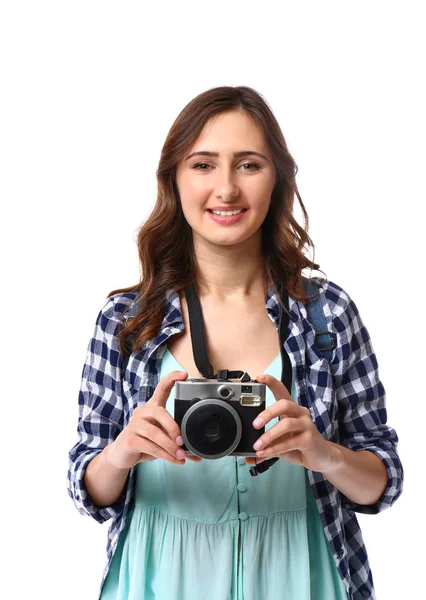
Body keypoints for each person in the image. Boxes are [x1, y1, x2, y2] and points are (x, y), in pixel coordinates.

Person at [67, 85, 403, 600]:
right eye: (202, 165)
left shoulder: (327, 315)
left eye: (248, 165)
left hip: (302, 572)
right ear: (174, 180)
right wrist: (123, 452)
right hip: (161, 576)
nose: (226, 189)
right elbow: (88, 491)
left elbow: (384, 481)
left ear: (277, 180)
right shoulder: (127, 320)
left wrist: (322, 453)